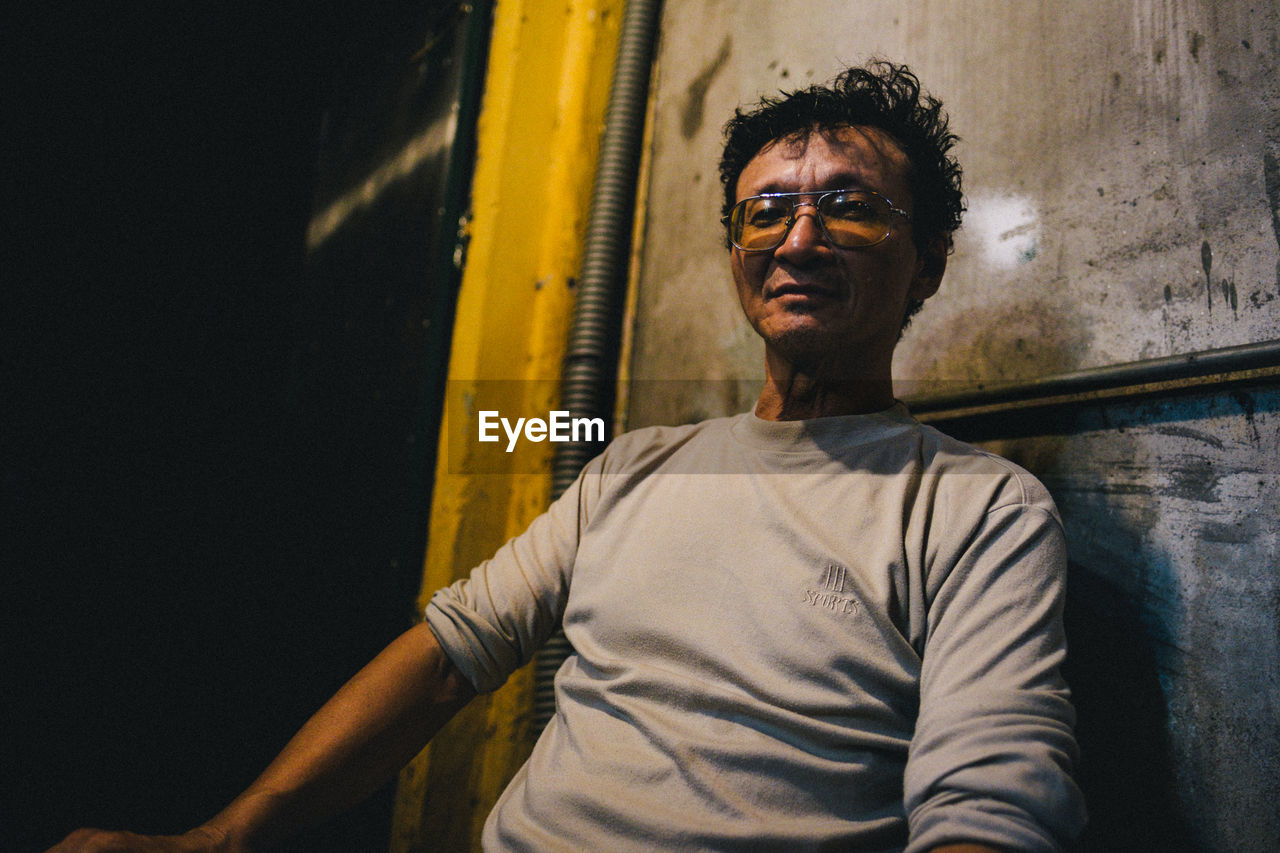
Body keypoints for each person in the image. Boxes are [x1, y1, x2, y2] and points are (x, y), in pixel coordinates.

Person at [49, 61, 1085, 853]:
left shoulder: (975, 508)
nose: (796, 237)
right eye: (764, 209)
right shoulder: (632, 468)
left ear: (925, 268)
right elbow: (445, 657)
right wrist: (224, 837)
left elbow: (985, 805)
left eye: (847, 205)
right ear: (736, 251)